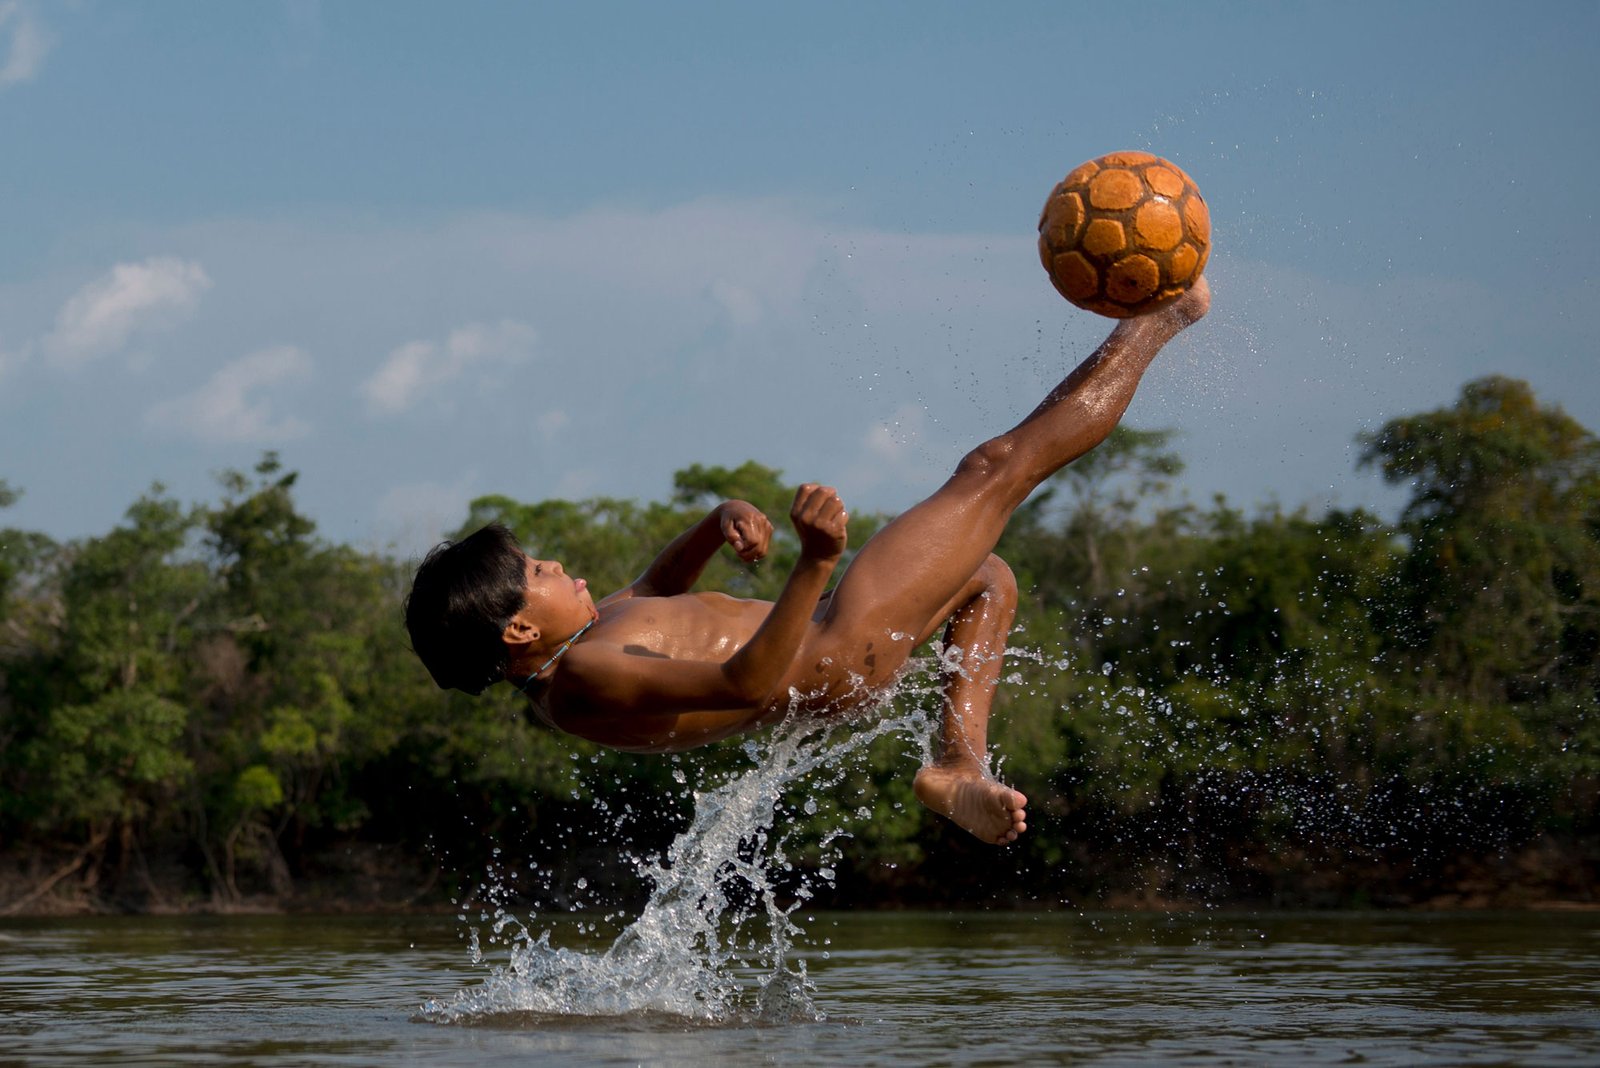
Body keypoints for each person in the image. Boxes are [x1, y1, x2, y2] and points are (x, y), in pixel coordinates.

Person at [406, 278, 1210, 845]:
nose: (558, 568)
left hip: (837, 651)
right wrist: (815, 562)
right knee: (997, 469)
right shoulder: (581, 681)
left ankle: (957, 765)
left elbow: (656, 587)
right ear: (516, 630)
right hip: (832, 645)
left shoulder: (584, 644)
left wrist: (716, 521)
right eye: (539, 574)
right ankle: (1165, 315)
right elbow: (745, 684)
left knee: (987, 576)